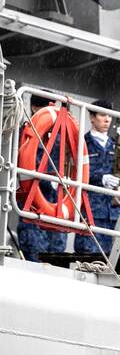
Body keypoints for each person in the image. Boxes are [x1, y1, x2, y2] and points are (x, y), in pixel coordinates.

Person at [74, 100, 120, 255]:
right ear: (92, 118)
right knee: (88, 257)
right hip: (91, 211)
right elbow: (75, 173)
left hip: (113, 212)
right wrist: (100, 179)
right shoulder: (83, 143)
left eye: (109, 116)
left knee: (116, 257)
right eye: (102, 115)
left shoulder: (116, 145)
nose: (107, 119)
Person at [15, 94, 66, 262]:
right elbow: (25, 164)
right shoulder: (23, 135)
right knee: (34, 253)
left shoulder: (59, 138)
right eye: (46, 107)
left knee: (56, 256)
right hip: (33, 206)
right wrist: (47, 178)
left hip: (55, 207)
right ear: (35, 109)